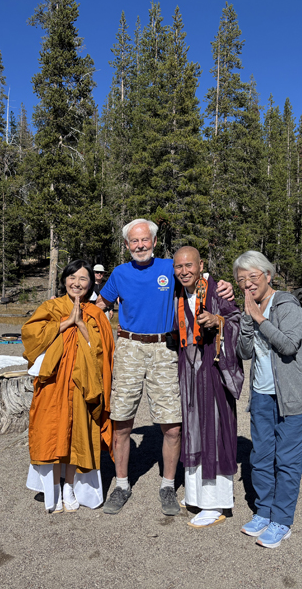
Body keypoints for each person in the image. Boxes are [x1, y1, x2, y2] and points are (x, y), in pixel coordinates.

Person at [95, 218, 234, 516]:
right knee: (121, 420)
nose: (140, 245)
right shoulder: (119, 274)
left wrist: (225, 285)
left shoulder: (170, 268)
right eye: (134, 241)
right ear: (127, 245)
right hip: (129, 347)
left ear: (155, 242)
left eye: (145, 239)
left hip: (165, 348)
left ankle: (168, 485)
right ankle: (122, 484)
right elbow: (99, 307)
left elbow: (199, 280)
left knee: (172, 424)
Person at [235, 250, 302, 549]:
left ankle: (282, 521)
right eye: (241, 280)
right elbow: (244, 352)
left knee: (287, 462)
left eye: (253, 277)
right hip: (262, 395)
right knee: (260, 458)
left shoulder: (287, 305)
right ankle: (264, 511)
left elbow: (288, 345)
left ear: (268, 276)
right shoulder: (249, 308)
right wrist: (248, 320)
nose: (247, 284)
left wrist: (259, 318)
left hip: (296, 397)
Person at [23, 259, 115, 513]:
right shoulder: (51, 307)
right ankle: (52, 487)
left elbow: (104, 351)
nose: (77, 283)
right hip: (52, 383)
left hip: (83, 385)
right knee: (51, 432)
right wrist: (66, 322)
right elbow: (31, 338)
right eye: (72, 277)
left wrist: (82, 324)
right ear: (64, 280)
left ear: (90, 283)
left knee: (77, 434)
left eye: (83, 278)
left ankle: (69, 487)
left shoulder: (96, 314)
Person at [172, 247, 244, 528]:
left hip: (213, 372)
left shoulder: (217, 292)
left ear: (201, 265)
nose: (184, 271)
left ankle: (215, 504)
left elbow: (238, 322)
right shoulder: (178, 294)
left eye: (189, 265)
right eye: (179, 267)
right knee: (193, 429)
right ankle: (196, 495)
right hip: (190, 373)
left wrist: (219, 321)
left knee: (214, 430)